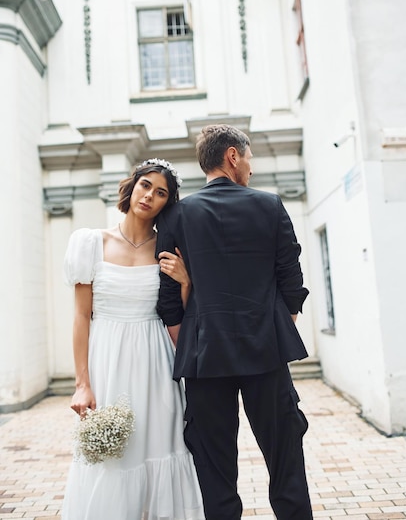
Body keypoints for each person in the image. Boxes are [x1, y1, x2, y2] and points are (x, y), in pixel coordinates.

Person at [156, 125, 313, 520]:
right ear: (232, 156)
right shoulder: (270, 206)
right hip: (265, 350)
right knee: (285, 458)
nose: (250, 168)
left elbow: (168, 298)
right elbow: (291, 282)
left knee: (214, 465)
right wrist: (275, 324)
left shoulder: (177, 215)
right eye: (249, 158)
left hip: (204, 354)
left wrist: (186, 338)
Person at [61, 159, 205, 520]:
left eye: (161, 193)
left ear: (166, 203)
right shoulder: (91, 242)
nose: (150, 196)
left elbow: (177, 315)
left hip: (156, 361)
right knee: (115, 453)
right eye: (146, 185)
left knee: (160, 444)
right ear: (132, 186)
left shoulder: (168, 248)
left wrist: (186, 282)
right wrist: (82, 384)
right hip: (108, 357)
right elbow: (81, 317)